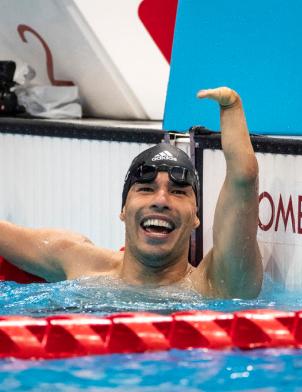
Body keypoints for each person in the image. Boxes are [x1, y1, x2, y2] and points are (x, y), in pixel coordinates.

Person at [0, 87, 262, 298]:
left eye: (178, 192)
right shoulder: (80, 263)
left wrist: (231, 108)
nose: (161, 201)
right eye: (146, 189)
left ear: (195, 217)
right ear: (124, 210)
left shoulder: (214, 285)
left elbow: (243, 179)